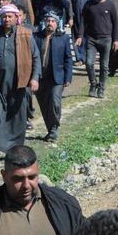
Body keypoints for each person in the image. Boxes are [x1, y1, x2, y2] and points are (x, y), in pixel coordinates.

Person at [0, 4, 41, 163]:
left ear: (17, 18)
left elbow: (36, 58)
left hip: (18, 82)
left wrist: (34, 78)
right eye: (4, 17)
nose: (6, 19)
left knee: (17, 117)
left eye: (10, 16)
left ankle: (14, 151)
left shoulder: (26, 34)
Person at [33, 13, 73, 142]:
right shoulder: (36, 37)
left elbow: (68, 58)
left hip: (57, 77)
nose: (50, 23)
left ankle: (54, 128)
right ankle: (50, 130)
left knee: (55, 101)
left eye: (53, 21)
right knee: (44, 104)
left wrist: (68, 77)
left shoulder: (63, 38)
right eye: (48, 20)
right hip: (41, 76)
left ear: (57, 23)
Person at [77, 0, 118, 98]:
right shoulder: (89, 4)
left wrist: (116, 40)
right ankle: (93, 84)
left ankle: (101, 88)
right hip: (91, 39)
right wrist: (80, 36)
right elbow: (82, 21)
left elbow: (116, 23)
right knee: (89, 63)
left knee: (104, 66)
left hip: (106, 39)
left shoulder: (110, 5)